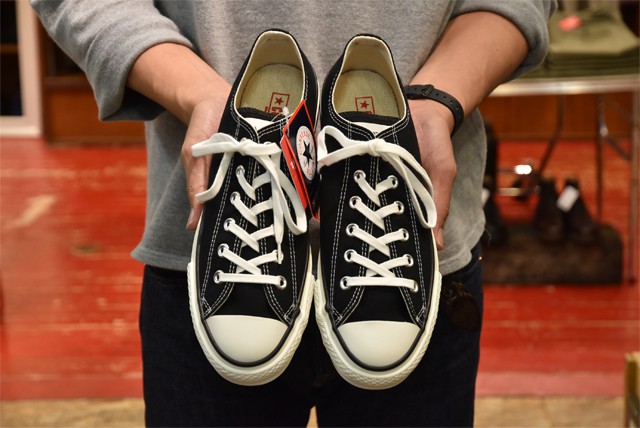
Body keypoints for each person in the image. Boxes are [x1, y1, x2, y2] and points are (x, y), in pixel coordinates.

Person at [32, 1, 555, 426]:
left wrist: (437, 101)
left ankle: (374, 149)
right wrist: (201, 96)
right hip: (204, 256)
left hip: (420, 258)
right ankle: (258, 140)